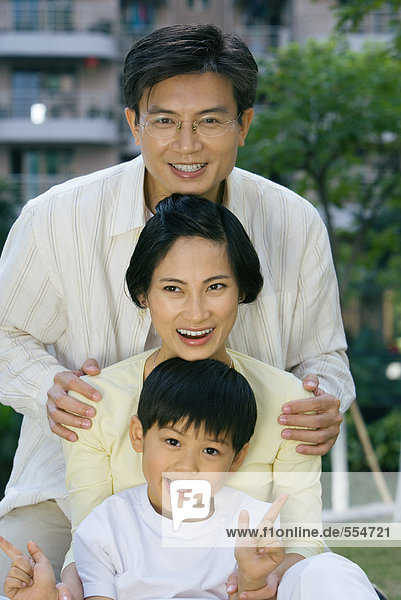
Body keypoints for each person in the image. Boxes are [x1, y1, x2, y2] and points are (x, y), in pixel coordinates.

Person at [0, 23, 352, 584]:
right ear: (134, 123)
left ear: (244, 124)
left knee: (312, 580)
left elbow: (325, 356)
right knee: (19, 581)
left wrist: (321, 398)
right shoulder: (53, 219)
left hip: (233, 485)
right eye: (164, 120)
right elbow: (4, 334)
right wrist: (48, 385)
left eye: (210, 121)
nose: (186, 145)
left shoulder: (293, 222)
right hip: (63, 489)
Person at [61, 196, 377, 600]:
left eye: (215, 287)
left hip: (255, 589)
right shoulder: (94, 401)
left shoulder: (289, 403)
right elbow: (87, 542)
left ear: (241, 290)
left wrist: (254, 582)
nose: (196, 314)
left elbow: (303, 540)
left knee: (329, 571)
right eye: (173, 288)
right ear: (143, 293)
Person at [0, 359, 377, 600]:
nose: (188, 465)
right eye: (172, 441)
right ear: (138, 435)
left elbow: (265, 588)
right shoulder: (105, 527)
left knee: (330, 569)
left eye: (211, 451)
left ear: (238, 457)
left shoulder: (251, 523)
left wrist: (250, 582)